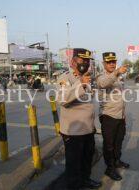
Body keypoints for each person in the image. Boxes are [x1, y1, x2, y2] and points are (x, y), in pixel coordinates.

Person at [56, 48, 102, 190]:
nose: (86, 64)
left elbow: (88, 104)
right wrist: (80, 83)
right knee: (74, 164)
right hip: (73, 133)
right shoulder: (65, 78)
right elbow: (62, 99)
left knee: (87, 159)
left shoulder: (88, 78)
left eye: (88, 61)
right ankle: (75, 186)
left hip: (88, 129)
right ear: (73, 61)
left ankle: (85, 180)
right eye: (83, 60)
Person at [97, 52, 130, 181]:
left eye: (113, 62)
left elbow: (120, 97)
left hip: (119, 116)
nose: (112, 64)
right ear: (103, 63)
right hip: (108, 116)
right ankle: (109, 168)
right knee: (109, 144)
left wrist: (123, 115)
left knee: (119, 141)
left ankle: (116, 161)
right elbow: (103, 84)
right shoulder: (101, 76)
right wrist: (116, 72)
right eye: (109, 62)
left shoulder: (119, 78)